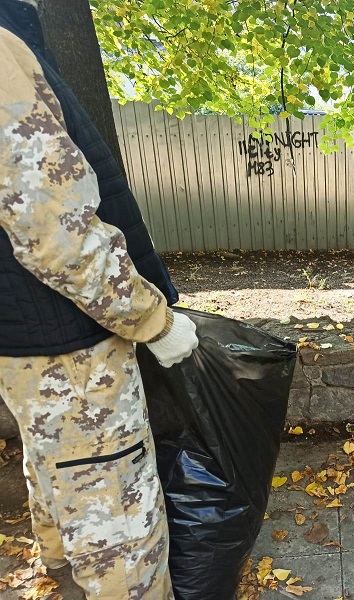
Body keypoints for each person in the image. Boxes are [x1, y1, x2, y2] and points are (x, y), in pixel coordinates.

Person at [0, 1, 198, 597]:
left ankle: (61, 573)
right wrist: (154, 322)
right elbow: (56, 234)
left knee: (57, 465)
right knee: (113, 508)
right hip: (68, 337)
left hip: (23, 338)